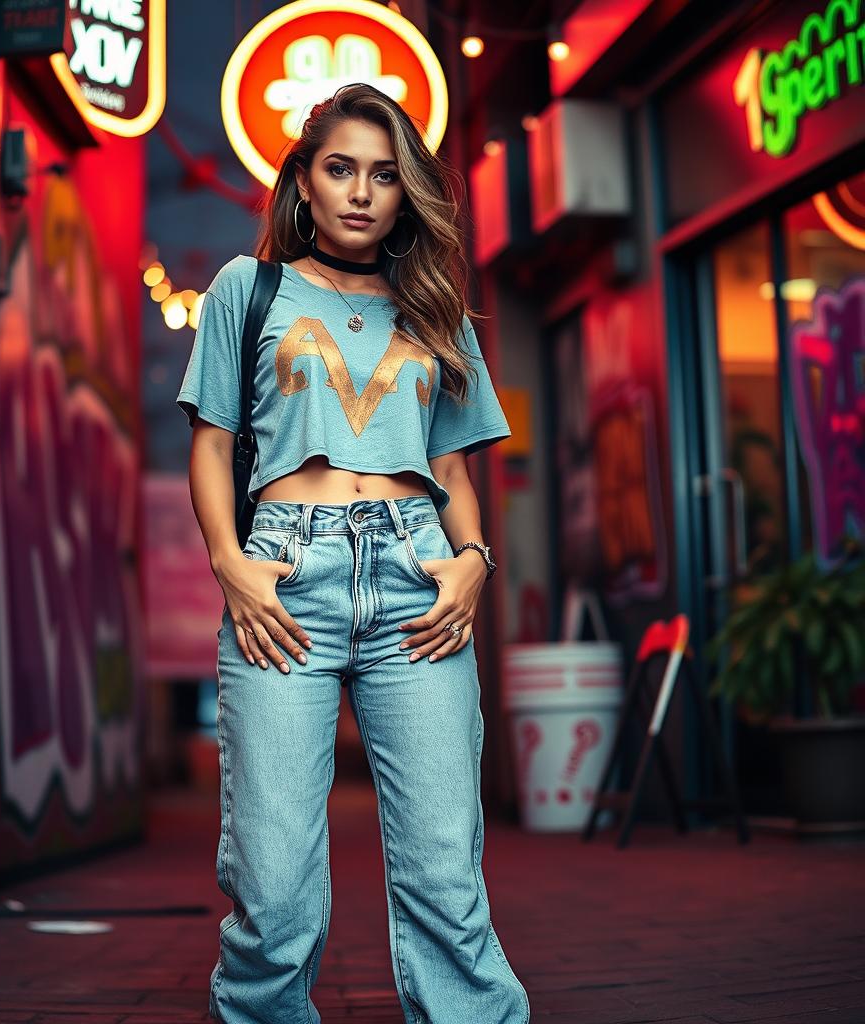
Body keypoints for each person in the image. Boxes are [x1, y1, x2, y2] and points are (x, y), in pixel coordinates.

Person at [177, 82, 530, 1024]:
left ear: (406, 190)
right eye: (341, 169)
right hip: (285, 579)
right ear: (303, 180)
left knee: (446, 876)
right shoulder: (246, 292)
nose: (363, 192)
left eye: (384, 174)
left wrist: (472, 561)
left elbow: (451, 468)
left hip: (418, 575)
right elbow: (211, 446)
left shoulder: (436, 309)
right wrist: (231, 564)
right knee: (274, 884)